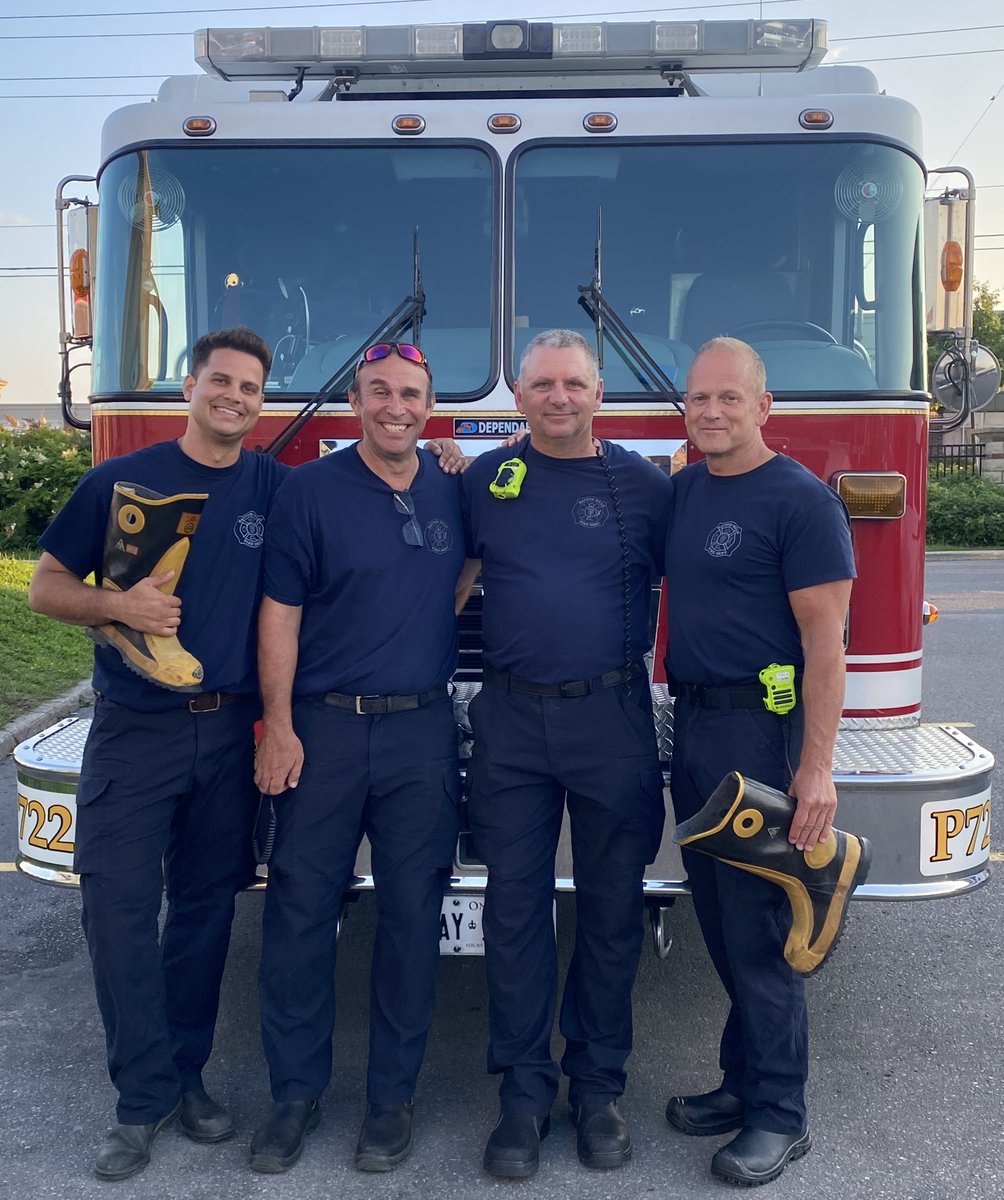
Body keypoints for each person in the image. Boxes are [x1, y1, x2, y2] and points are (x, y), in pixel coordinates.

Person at [28, 327, 284, 1181]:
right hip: (136, 729)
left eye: (249, 387)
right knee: (120, 912)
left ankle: (187, 1076)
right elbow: (43, 587)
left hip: (229, 729)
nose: (235, 397)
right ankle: (139, 1103)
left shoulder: (273, 487)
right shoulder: (115, 483)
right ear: (190, 386)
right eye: (221, 381)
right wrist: (118, 606)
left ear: (260, 401)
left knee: (207, 913)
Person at [250, 341, 473, 1175]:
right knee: (301, 915)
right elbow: (279, 614)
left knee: (414, 920)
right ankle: (293, 1098)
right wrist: (279, 723)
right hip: (325, 730)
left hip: (421, 732)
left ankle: (391, 1102)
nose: (395, 407)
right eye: (379, 391)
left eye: (410, 394)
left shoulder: (452, 484)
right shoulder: (308, 491)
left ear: (429, 404)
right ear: (355, 400)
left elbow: (468, 569)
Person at [460, 329, 672, 1178]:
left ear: (599, 391)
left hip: (611, 718)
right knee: (512, 914)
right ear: (518, 395)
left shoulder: (647, 488)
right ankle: (520, 1094)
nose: (558, 397)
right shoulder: (479, 481)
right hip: (509, 721)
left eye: (573, 383)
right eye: (541, 383)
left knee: (613, 912)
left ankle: (596, 1089)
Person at [662, 336, 856, 1187]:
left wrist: (815, 768)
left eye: (729, 399)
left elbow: (826, 647)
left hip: (760, 738)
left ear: (763, 407)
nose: (711, 412)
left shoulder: (802, 502)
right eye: (699, 399)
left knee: (761, 931)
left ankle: (781, 1114)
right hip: (696, 728)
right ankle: (742, 1083)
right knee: (719, 919)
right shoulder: (685, 491)